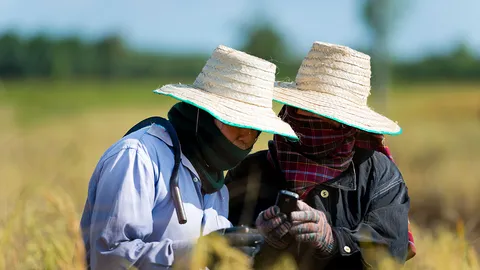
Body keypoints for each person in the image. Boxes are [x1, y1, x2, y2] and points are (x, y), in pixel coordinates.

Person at [79, 45, 298, 270]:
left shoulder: (215, 183)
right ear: (203, 113)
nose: (247, 137)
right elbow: (109, 258)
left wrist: (255, 241)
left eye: (255, 129)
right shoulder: (138, 158)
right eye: (237, 123)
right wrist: (200, 252)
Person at [226, 42, 416, 269]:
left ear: (349, 123)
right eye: (306, 110)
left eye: (328, 116)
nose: (314, 122)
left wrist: (332, 240)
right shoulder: (252, 171)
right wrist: (260, 239)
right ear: (291, 108)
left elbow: (390, 254)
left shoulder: (379, 174)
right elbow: (217, 247)